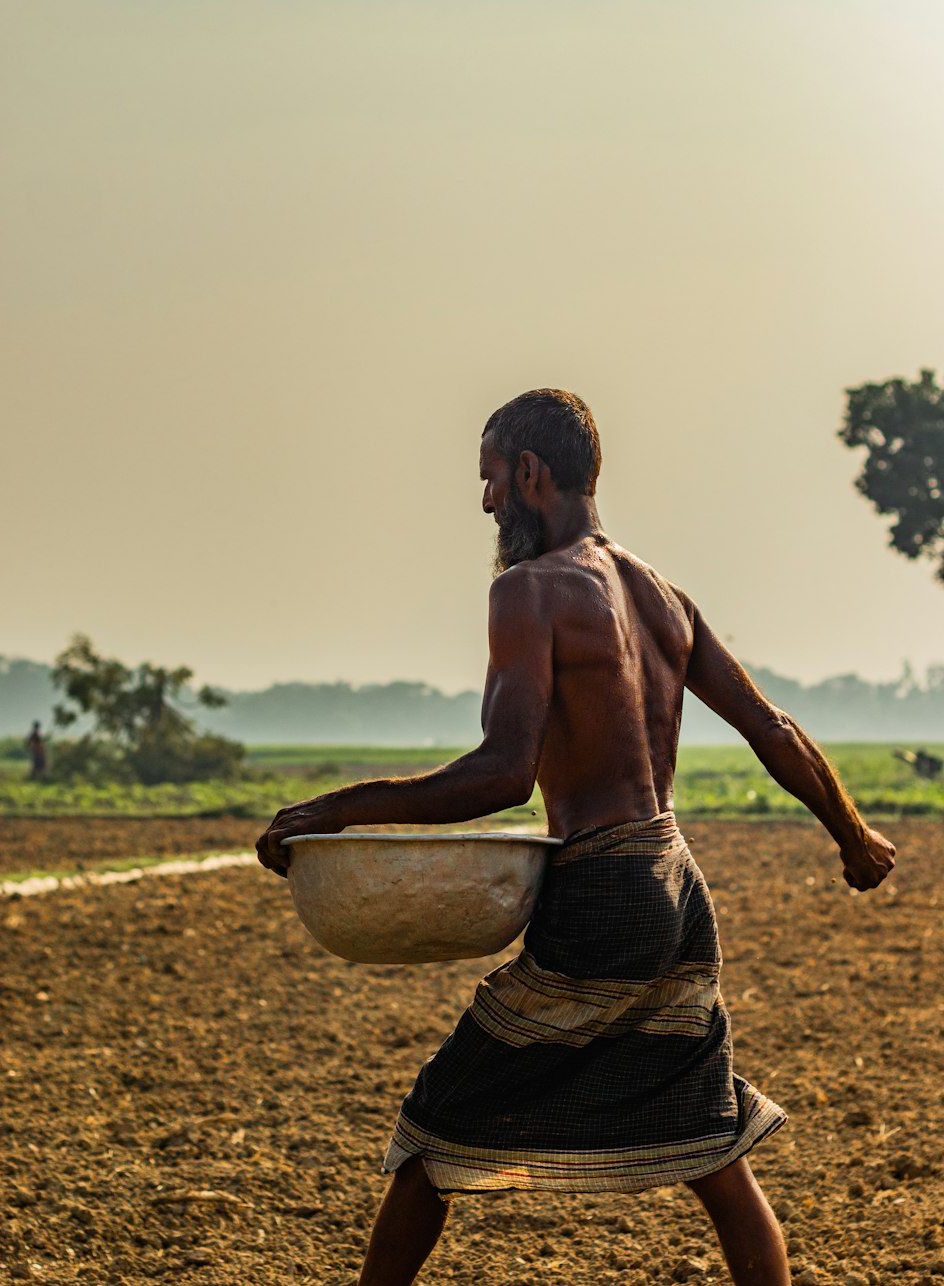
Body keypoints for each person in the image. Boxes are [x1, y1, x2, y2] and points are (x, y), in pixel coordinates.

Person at [256, 389, 896, 1286]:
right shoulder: (663, 596)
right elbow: (773, 727)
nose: (484, 504)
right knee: (711, 1141)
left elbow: (503, 772)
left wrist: (337, 810)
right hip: (677, 882)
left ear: (529, 473)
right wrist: (855, 837)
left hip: (604, 887)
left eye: (488, 480)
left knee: (437, 1123)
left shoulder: (529, 592)